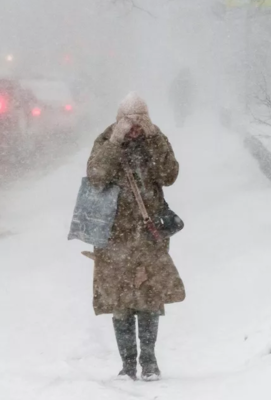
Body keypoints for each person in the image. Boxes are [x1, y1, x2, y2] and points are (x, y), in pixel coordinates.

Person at [86, 92, 184, 381]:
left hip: (148, 233)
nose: (135, 130)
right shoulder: (107, 141)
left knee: (149, 297)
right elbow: (96, 175)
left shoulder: (154, 140)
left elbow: (169, 174)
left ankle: (149, 361)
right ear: (120, 122)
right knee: (120, 301)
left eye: (140, 123)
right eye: (130, 123)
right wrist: (116, 142)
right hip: (114, 235)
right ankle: (128, 364)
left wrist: (153, 138)